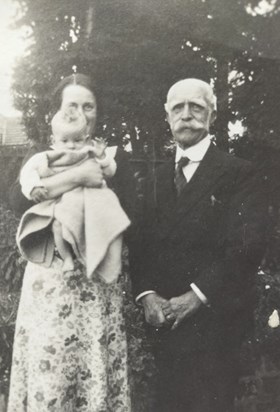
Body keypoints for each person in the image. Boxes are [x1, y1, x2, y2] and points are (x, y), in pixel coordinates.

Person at [131, 78, 267, 412]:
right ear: (167, 116)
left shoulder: (240, 173)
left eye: (197, 107)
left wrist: (196, 296)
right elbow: (140, 246)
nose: (186, 115)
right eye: (178, 107)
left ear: (213, 115)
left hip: (215, 327)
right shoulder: (153, 180)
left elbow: (247, 247)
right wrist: (147, 295)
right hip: (163, 328)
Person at [8, 73, 135, 412]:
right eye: (72, 105)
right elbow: (18, 201)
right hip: (51, 284)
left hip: (97, 282)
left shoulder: (109, 159)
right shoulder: (41, 155)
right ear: (59, 112)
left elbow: (130, 213)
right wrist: (77, 177)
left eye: (88, 106)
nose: (81, 112)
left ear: (97, 112)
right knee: (51, 370)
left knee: (92, 364)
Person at [17, 106, 130, 282]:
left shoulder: (88, 152)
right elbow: (27, 173)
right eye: (65, 140)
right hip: (63, 204)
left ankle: (106, 262)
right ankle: (68, 259)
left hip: (91, 203)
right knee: (58, 226)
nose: (71, 145)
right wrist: (34, 187)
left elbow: (110, 171)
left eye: (77, 140)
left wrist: (102, 157)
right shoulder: (47, 156)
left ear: (86, 138)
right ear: (54, 139)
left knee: (104, 225)